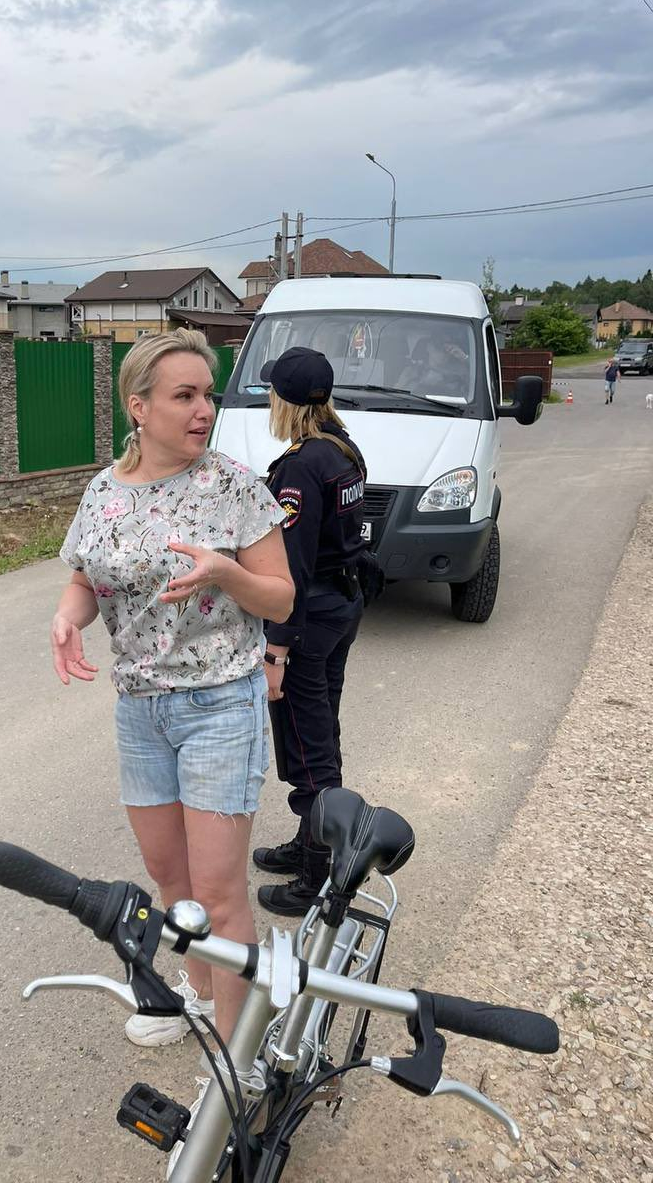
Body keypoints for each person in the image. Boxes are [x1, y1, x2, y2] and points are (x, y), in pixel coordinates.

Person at [51, 328, 293, 1051]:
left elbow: (281, 598)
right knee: (171, 879)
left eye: (207, 395)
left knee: (218, 891)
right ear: (139, 406)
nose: (203, 410)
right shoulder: (103, 490)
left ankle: (237, 1053)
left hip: (221, 703)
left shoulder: (234, 486)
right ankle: (200, 989)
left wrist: (226, 572)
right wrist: (67, 618)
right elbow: (85, 577)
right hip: (140, 710)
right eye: (184, 396)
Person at [252, 347, 369, 917]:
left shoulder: (300, 466)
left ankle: (318, 875)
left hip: (311, 618)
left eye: (272, 392)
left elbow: (291, 566)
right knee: (323, 729)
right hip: (342, 604)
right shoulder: (342, 449)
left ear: (285, 401)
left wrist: (276, 649)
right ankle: (312, 840)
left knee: (306, 741)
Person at [398, 332, 470, 396]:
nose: (442, 353)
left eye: (446, 349)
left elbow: (470, 394)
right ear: (428, 347)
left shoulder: (461, 372)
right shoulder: (412, 371)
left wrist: (465, 358)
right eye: (438, 347)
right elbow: (397, 393)